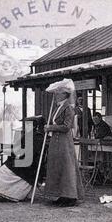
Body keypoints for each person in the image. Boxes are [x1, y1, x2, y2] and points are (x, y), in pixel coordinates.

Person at [0, 116, 46, 202]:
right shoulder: (28, 135)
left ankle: (4, 193)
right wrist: (5, 149)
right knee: (3, 168)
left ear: (33, 126)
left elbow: (31, 153)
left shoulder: (37, 137)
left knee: (5, 169)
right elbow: (17, 146)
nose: (24, 126)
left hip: (31, 166)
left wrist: (15, 153)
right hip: (24, 161)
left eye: (27, 125)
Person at [44, 79, 84, 207]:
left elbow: (67, 126)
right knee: (58, 167)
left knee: (67, 168)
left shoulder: (68, 108)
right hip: (56, 142)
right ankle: (62, 194)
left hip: (64, 142)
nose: (55, 95)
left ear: (64, 94)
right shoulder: (57, 107)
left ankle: (71, 196)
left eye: (58, 93)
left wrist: (51, 128)